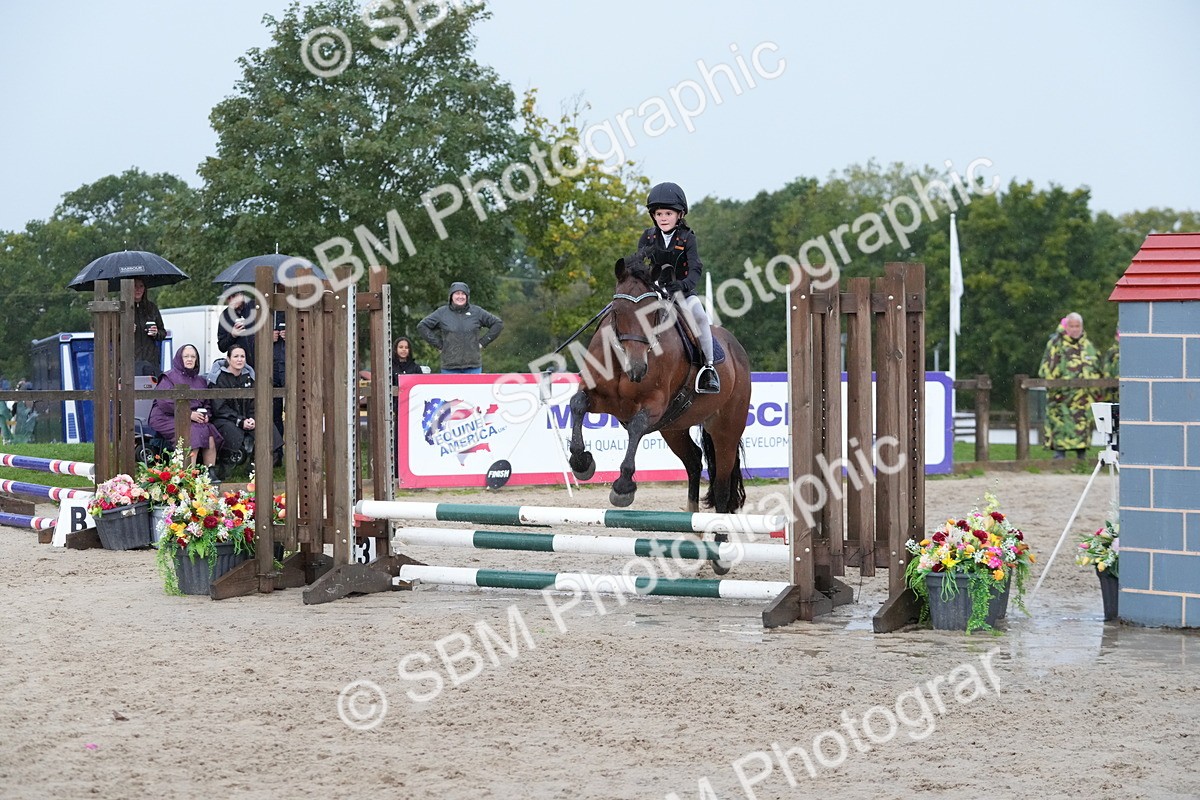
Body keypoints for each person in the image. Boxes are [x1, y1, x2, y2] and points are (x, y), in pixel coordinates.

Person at [633, 181, 720, 393]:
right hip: (655, 292)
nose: (663, 218)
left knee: (699, 314)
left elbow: (695, 267)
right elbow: (639, 261)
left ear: (679, 215)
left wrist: (681, 285)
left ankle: (708, 368)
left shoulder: (687, 238)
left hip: (682, 293)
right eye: (659, 214)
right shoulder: (649, 236)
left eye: (668, 214)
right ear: (653, 216)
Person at [209, 344, 281, 477]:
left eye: (242, 356)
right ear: (228, 359)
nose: (239, 359)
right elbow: (219, 407)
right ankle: (225, 470)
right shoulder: (219, 378)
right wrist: (239, 421)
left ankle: (254, 469)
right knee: (232, 432)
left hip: (247, 417)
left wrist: (253, 418)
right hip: (224, 418)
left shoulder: (250, 377)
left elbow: (254, 403)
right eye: (236, 356)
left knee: (268, 430)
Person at [1038, 312, 1101, 459]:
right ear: (1066, 327)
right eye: (1072, 326)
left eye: (1078, 326)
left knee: (1082, 430)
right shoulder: (1056, 344)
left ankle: (1082, 460)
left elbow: (1098, 369)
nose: (1075, 329)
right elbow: (1046, 370)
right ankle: (1059, 459)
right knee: (1061, 429)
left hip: (1084, 401)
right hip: (1062, 399)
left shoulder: (1088, 346)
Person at [149, 344, 222, 468]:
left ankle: (210, 473)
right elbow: (165, 402)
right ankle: (188, 474)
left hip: (194, 418)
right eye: (186, 356)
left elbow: (206, 403)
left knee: (210, 433)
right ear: (179, 358)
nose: (190, 359)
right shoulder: (168, 377)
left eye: (193, 357)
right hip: (166, 417)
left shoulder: (201, 381)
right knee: (191, 433)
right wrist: (188, 414)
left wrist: (206, 415)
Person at [417, 282, 504, 374]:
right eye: (457, 293)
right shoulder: (441, 313)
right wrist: (439, 345)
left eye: (463, 294)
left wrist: (483, 342)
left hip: (473, 366)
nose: (460, 296)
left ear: (467, 297)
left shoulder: (477, 312)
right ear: (451, 296)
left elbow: (498, 324)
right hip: (449, 367)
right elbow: (422, 326)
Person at [132, 278, 167, 376]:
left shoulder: (152, 308)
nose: (138, 289)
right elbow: (111, 336)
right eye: (135, 286)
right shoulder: (122, 310)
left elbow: (163, 332)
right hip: (129, 362)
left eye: (141, 286)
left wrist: (156, 333)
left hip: (151, 361)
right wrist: (125, 332)